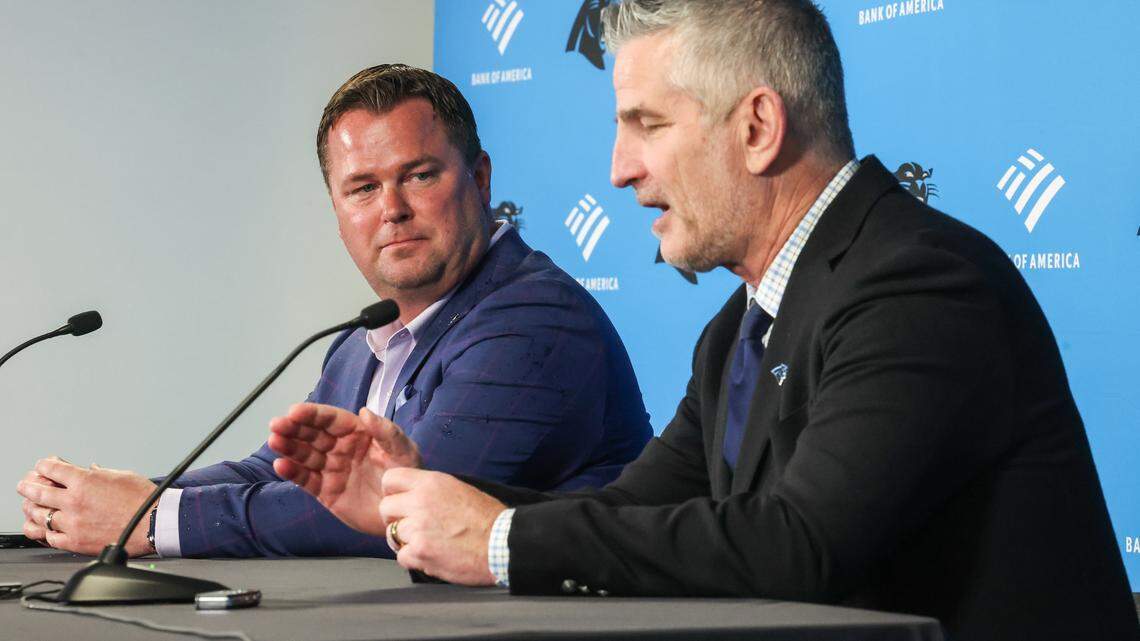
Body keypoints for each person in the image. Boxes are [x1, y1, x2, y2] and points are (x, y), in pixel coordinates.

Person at [267, 3, 1138, 640]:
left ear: (757, 126)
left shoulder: (918, 282)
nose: (619, 170)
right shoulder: (737, 328)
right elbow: (623, 513)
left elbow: (803, 544)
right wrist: (415, 505)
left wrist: (493, 537)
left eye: (645, 124)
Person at [16, 65, 652, 560]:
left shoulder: (534, 321)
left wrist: (151, 522)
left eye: (420, 175)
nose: (392, 209)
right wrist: (127, 499)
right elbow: (280, 473)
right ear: (337, 209)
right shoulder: (365, 337)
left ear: (481, 180)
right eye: (363, 188)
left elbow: (391, 509)